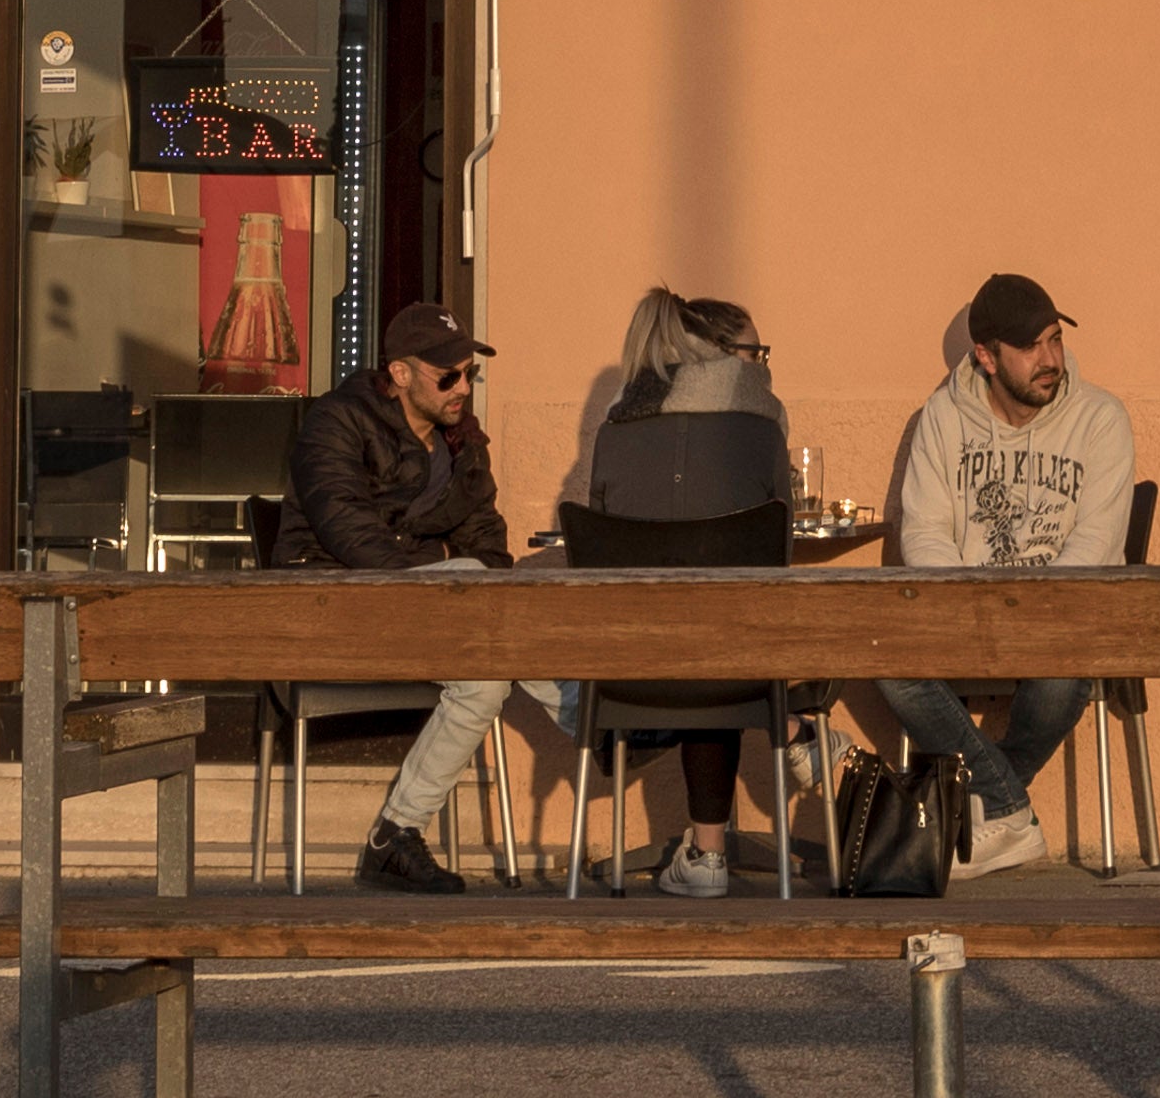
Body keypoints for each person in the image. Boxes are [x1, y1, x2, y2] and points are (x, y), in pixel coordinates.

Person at [876, 269, 1138, 873]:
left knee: (1058, 678)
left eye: (1054, 340)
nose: (1050, 360)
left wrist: (1032, 616)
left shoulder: (1101, 419)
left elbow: (1096, 541)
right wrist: (967, 612)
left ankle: (982, 813)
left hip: (1063, 619)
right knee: (888, 662)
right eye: (1030, 348)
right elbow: (923, 530)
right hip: (969, 615)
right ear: (987, 358)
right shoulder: (943, 418)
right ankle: (1007, 809)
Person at [558, 290, 797, 896]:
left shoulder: (616, 430)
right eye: (755, 353)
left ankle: (696, 842)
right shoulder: (762, 425)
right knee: (717, 619)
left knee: (689, 618)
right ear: (719, 355)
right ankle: (790, 744)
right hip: (743, 671)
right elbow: (778, 556)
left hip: (624, 671)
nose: (761, 363)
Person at [275, 305, 517, 893]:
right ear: (402, 374)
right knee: (489, 595)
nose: (463, 388)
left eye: (469, 374)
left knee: (490, 673)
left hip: (419, 612)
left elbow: (489, 546)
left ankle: (396, 834)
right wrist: (444, 577)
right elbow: (350, 532)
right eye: (449, 376)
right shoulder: (336, 422)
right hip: (326, 610)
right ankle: (595, 723)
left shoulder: (462, 443)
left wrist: (460, 582)